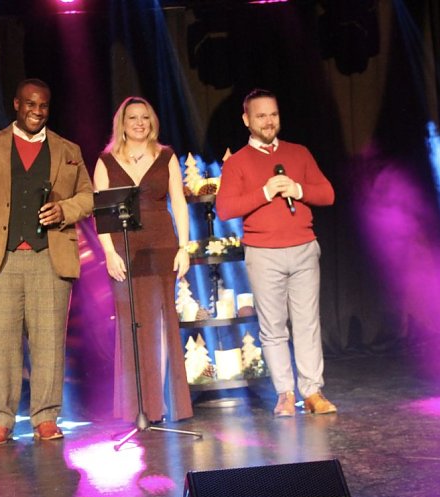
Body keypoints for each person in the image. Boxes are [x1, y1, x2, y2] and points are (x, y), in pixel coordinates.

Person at [0, 78, 94, 444]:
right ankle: (0, 419)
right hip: (0, 258)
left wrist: (65, 209)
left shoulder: (67, 149)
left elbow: (88, 196)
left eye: (43, 105)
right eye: (30, 104)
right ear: (17, 104)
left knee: (48, 341)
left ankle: (46, 417)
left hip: (50, 258)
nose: (37, 111)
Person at [215, 88, 337, 418]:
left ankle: (312, 391)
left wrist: (297, 189)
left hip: (303, 248)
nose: (268, 121)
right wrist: (266, 191)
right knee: (273, 328)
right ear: (246, 120)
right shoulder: (237, 162)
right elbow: (225, 209)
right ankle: (285, 393)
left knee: (307, 323)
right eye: (261, 116)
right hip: (264, 252)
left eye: (273, 114)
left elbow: (327, 194)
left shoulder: (299, 153)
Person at [93, 96, 193, 423]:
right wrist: (108, 253)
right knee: (133, 326)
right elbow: (101, 212)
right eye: (133, 118)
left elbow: (178, 202)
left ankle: (160, 404)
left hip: (163, 245)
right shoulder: (106, 161)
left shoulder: (166, 157)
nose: (139, 123)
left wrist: (184, 247)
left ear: (152, 122)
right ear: (121, 123)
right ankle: (138, 407)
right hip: (125, 250)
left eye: (145, 118)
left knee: (162, 325)